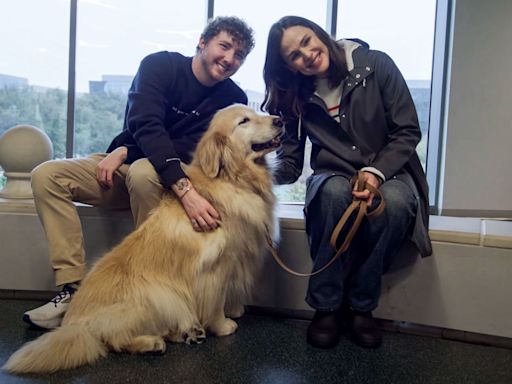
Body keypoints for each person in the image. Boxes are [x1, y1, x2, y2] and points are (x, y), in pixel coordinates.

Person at [24, 16, 255, 330]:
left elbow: (194, 149)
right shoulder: (159, 66)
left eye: (239, 55)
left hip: (164, 181)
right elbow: (145, 123)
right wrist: (125, 152)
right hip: (122, 170)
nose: (230, 59)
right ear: (202, 42)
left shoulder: (233, 101)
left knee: (145, 171)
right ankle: (73, 290)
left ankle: (151, 292)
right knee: (46, 176)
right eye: (224, 46)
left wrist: (129, 150)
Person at [262, 16, 432, 349]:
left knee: (395, 203)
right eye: (294, 56)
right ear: (289, 67)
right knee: (332, 194)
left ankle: (360, 307)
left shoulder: (376, 64)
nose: (307, 54)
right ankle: (326, 306)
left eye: (308, 41)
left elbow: (407, 130)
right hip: (332, 174)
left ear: (320, 35)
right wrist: (253, 167)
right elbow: (293, 166)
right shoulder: (296, 96)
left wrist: (375, 173)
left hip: (391, 171)